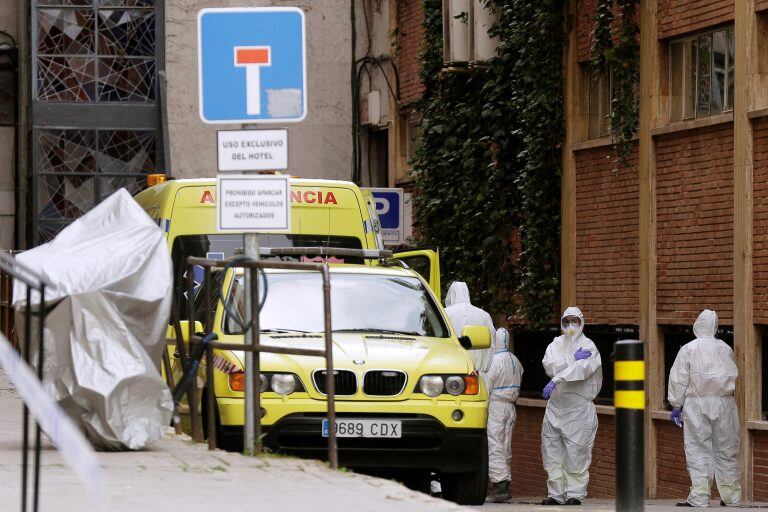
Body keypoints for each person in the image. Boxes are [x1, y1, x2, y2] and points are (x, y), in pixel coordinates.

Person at [668, 309, 741, 507]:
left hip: (698, 404)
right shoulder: (725, 348)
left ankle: (699, 497)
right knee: (728, 449)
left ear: (698, 324)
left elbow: (678, 378)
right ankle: (731, 496)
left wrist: (676, 405)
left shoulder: (689, 348)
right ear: (715, 327)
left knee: (698, 448)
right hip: (724, 403)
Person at [540, 306, 602, 506]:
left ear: (582, 322)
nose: (571, 326)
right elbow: (549, 364)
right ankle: (555, 494)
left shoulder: (589, 346)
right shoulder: (556, 343)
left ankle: (574, 494)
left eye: (575, 321)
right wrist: (569, 360)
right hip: (555, 406)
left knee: (577, 453)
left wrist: (557, 378)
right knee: (552, 452)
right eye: (567, 321)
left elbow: (582, 370)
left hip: (578, 408)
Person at [484, 327, 524, 503]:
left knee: (495, 445)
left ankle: (499, 487)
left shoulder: (493, 361)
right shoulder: (515, 360)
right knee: (506, 447)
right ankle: (505, 484)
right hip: (511, 408)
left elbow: (486, 388)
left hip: (496, 407)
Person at [444, 281, 495, 373]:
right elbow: (491, 343)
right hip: (479, 373)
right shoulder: (484, 315)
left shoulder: (445, 313)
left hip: (451, 372)